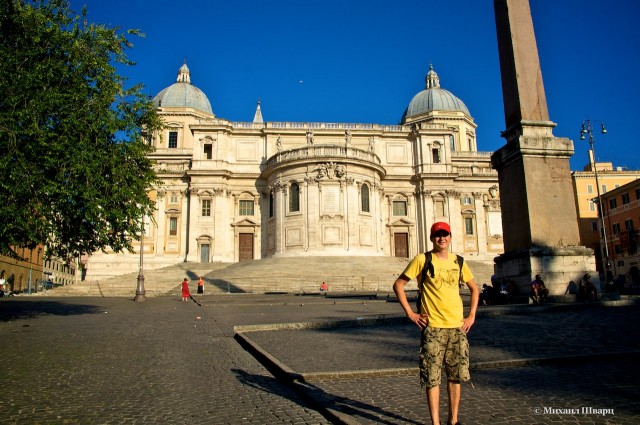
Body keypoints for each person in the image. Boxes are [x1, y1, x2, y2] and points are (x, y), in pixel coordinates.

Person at [392, 221, 479, 425]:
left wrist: (472, 315)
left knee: (455, 376)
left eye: (445, 234)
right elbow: (398, 284)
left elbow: (475, 288)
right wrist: (411, 314)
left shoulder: (459, 261)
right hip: (433, 328)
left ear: (450, 237)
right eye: (438, 235)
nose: (442, 238)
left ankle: (453, 421)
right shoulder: (423, 259)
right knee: (432, 378)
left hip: (457, 327)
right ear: (432, 238)